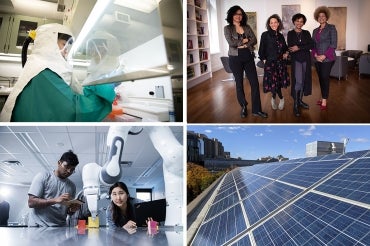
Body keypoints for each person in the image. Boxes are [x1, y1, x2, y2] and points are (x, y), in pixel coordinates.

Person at [0, 23, 116, 122]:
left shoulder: (40, 68)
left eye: (67, 47)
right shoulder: (45, 73)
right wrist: (104, 93)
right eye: (63, 45)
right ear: (49, 43)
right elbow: (75, 111)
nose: (66, 51)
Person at [224, 5, 267, 118]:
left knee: (254, 83)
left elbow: (254, 39)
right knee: (239, 83)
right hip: (235, 58)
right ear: (231, 15)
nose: (238, 16)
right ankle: (243, 106)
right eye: (236, 14)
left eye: (240, 14)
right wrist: (245, 40)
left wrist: (244, 44)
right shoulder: (227, 28)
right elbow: (231, 43)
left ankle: (256, 110)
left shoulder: (247, 27)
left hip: (248, 56)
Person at [28, 150, 81, 227]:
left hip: (60, 228)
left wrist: (72, 210)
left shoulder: (72, 186)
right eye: (66, 167)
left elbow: (67, 212)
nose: (69, 171)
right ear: (59, 163)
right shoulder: (43, 176)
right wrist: (55, 200)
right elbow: (31, 202)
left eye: (72, 169)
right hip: (39, 227)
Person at [258, 14, 290, 111]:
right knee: (273, 83)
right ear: (269, 24)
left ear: (278, 23)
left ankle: (274, 98)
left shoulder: (280, 35)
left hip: (280, 63)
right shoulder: (265, 35)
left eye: (275, 22)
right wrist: (264, 60)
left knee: (278, 83)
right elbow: (261, 50)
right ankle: (280, 98)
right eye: (271, 23)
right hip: (270, 63)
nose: (273, 24)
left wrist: (286, 53)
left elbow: (285, 48)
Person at [287, 13, 314, 117]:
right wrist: (303, 46)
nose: (299, 23)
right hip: (296, 60)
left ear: (303, 23)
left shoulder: (306, 33)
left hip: (306, 60)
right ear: (294, 21)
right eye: (297, 21)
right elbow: (290, 46)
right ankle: (295, 104)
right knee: (298, 81)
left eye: (301, 21)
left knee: (304, 80)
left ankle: (300, 101)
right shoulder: (290, 33)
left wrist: (298, 47)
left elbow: (311, 45)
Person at [312, 6, 337, 110]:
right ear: (317, 18)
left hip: (328, 58)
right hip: (317, 59)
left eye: (323, 16)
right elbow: (313, 45)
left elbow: (333, 45)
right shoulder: (315, 30)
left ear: (326, 17)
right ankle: (323, 97)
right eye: (319, 16)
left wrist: (324, 55)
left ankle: (325, 100)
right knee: (321, 78)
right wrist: (315, 55)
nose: (321, 17)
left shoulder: (331, 28)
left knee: (325, 78)